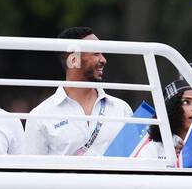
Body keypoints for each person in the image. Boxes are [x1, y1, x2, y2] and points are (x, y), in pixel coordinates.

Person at [24, 27, 131, 157]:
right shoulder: (40, 116)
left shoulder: (122, 109)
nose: (103, 60)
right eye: (96, 53)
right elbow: (33, 173)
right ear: (73, 60)